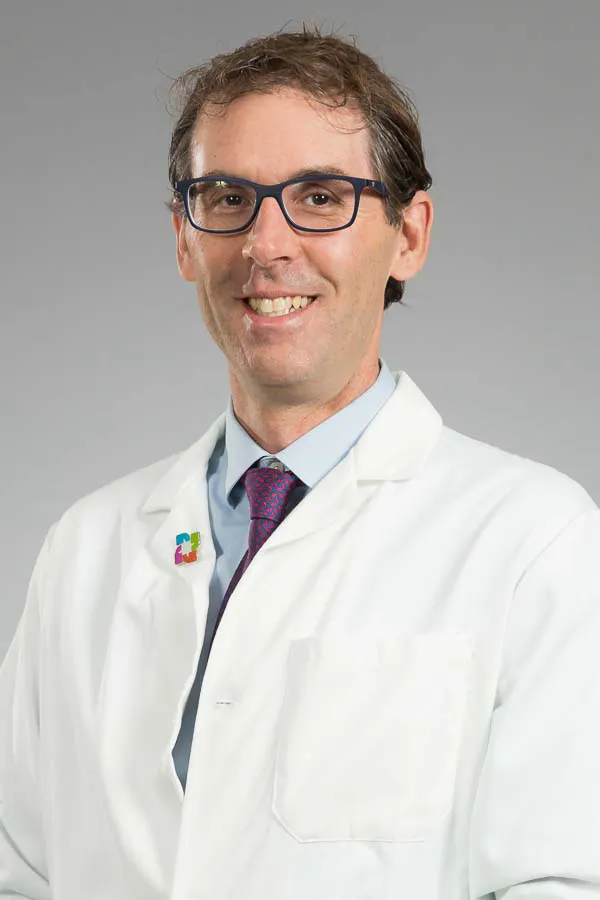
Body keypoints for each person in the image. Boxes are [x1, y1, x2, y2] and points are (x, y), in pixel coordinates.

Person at [1, 25, 600, 900]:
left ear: (409, 234)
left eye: (321, 197)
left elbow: (563, 883)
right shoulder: (84, 550)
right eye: (226, 197)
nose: (266, 244)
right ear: (184, 238)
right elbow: (17, 871)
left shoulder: (534, 542)